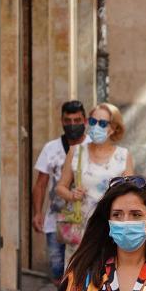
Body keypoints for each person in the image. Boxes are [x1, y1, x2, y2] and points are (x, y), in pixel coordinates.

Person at [56, 103, 135, 264]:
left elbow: (131, 195)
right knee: (77, 282)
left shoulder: (123, 156)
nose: (96, 126)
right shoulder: (76, 151)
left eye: (103, 123)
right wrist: (72, 195)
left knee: (107, 280)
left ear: (113, 128)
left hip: (111, 230)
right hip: (80, 229)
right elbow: (60, 187)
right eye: (92, 121)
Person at [32, 101, 88, 284]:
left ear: (85, 120)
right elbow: (40, 183)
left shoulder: (92, 146)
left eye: (77, 120)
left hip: (85, 219)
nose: (72, 125)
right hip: (55, 220)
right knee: (57, 272)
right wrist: (37, 213)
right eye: (68, 120)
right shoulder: (51, 148)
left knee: (81, 269)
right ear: (62, 122)